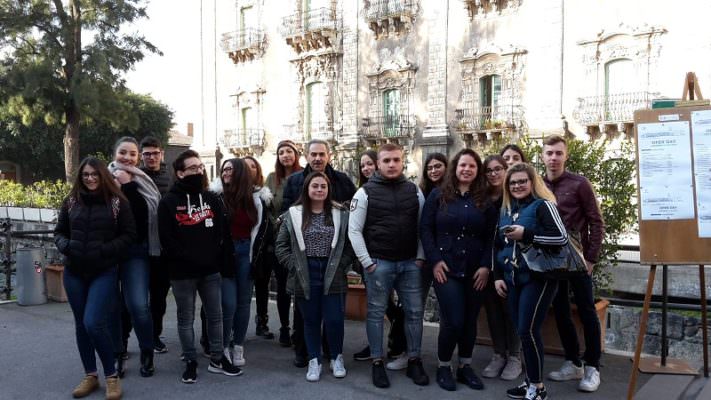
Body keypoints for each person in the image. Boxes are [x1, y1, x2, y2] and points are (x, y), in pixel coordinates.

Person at [348, 143, 429, 389]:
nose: (392, 164)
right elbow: (354, 230)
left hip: (409, 264)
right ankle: (376, 362)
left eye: (396, 160)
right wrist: (367, 263)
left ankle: (414, 359)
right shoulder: (364, 193)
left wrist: (420, 257)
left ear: (402, 161)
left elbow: (422, 228)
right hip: (379, 263)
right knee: (375, 314)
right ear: (378, 164)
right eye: (386, 161)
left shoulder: (414, 191)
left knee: (414, 314)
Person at [55, 157, 136, 400]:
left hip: (103, 271)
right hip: (74, 272)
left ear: (103, 176)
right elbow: (59, 232)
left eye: (95, 174)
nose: (90, 178)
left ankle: (112, 377)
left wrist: (105, 250)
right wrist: (66, 245)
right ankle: (90, 375)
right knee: (81, 325)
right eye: (86, 175)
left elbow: (130, 234)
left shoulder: (117, 203)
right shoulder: (70, 202)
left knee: (93, 322)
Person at [158, 150, 242, 383]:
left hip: (210, 271)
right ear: (180, 172)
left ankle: (217, 358)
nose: (198, 171)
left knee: (215, 316)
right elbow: (167, 239)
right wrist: (190, 259)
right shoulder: (168, 202)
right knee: (186, 318)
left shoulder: (212, 198)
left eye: (200, 167)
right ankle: (190, 360)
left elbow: (220, 233)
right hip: (182, 272)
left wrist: (216, 260)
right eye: (192, 168)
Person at [420, 149, 497, 391]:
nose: (466, 169)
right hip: (446, 268)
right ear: (455, 168)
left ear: (477, 171)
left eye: (472, 166)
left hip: (475, 270)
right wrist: (434, 260)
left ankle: (465, 366)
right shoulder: (437, 195)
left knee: (470, 320)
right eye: (463, 165)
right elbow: (425, 230)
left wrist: (486, 266)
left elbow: (491, 237)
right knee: (453, 320)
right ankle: (444, 365)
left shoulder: (485, 201)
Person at [493, 163, 567, 400]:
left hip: (540, 276)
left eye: (522, 181)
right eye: (513, 182)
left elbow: (561, 238)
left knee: (528, 330)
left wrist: (527, 234)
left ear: (532, 182)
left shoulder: (544, 205)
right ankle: (530, 383)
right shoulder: (505, 209)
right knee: (523, 331)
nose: (517, 186)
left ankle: (537, 387)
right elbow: (496, 245)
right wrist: (497, 277)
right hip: (513, 279)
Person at [281, 139, 356, 368]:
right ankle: (305, 353)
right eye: (313, 154)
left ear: (329, 156)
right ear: (306, 155)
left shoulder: (342, 180)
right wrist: (294, 263)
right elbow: (286, 220)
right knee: (306, 316)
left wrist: (343, 263)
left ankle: (332, 354)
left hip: (332, 264)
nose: (317, 158)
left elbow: (350, 221)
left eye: (321, 154)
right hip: (304, 263)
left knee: (333, 317)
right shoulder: (294, 181)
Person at [542, 135, 604, 392]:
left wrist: (590, 258)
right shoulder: (538, 185)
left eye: (558, 153)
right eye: (549, 153)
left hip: (578, 260)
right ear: (543, 156)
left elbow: (596, 221)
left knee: (587, 310)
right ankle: (572, 362)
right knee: (561, 311)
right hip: (550, 261)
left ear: (566, 155)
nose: (554, 158)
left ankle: (592, 367)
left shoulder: (580, 184)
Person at [108, 136, 160, 377]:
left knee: (138, 305)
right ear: (114, 153)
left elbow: (143, 217)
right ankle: (118, 354)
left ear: (138, 158)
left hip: (135, 251)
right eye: (123, 152)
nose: (127, 158)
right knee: (114, 307)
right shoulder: (100, 177)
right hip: (106, 252)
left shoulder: (142, 180)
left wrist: (128, 185)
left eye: (132, 154)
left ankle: (147, 351)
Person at [220, 157, 272, 367]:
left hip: (245, 252)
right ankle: (223, 346)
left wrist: (254, 258)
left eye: (230, 169)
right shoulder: (217, 197)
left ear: (240, 172)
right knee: (228, 303)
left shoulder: (255, 198)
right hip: (224, 254)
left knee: (243, 303)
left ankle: (238, 345)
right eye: (224, 170)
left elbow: (260, 231)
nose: (225, 173)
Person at [481, 155, 523, 381]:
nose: (494, 173)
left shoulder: (516, 196)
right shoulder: (483, 198)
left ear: (507, 171)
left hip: (512, 263)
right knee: (493, 311)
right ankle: (499, 354)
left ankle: (515, 357)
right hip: (488, 262)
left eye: (499, 169)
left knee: (511, 310)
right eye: (489, 170)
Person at [265, 140, 304, 347]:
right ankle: (284, 327)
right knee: (281, 286)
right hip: (279, 238)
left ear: (296, 154)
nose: (285, 155)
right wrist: (278, 224)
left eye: (289, 151)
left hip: (301, 237)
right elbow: (268, 208)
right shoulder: (272, 179)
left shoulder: (305, 175)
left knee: (300, 285)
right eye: (281, 152)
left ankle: (300, 328)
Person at [139, 136, 173, 354]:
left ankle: (154, 335)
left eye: (155, 153)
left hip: (164, 247)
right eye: (147, 154)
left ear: (162, 154)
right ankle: (125, 340)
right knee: (135, 299)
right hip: (140, 246)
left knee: (159, 297)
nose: (151, 157)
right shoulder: (135, 177)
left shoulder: (172, 178)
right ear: (142, 156)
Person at [243, 155, 277, 340]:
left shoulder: (265, 195)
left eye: (253, 166)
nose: (249, 169)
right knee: (243, 289)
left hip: (262, 248)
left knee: (262, 286)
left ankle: (262, 322)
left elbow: (268, 222)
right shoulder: (234, 193)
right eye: (245, 166)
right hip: (241, 246)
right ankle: (237, 325)